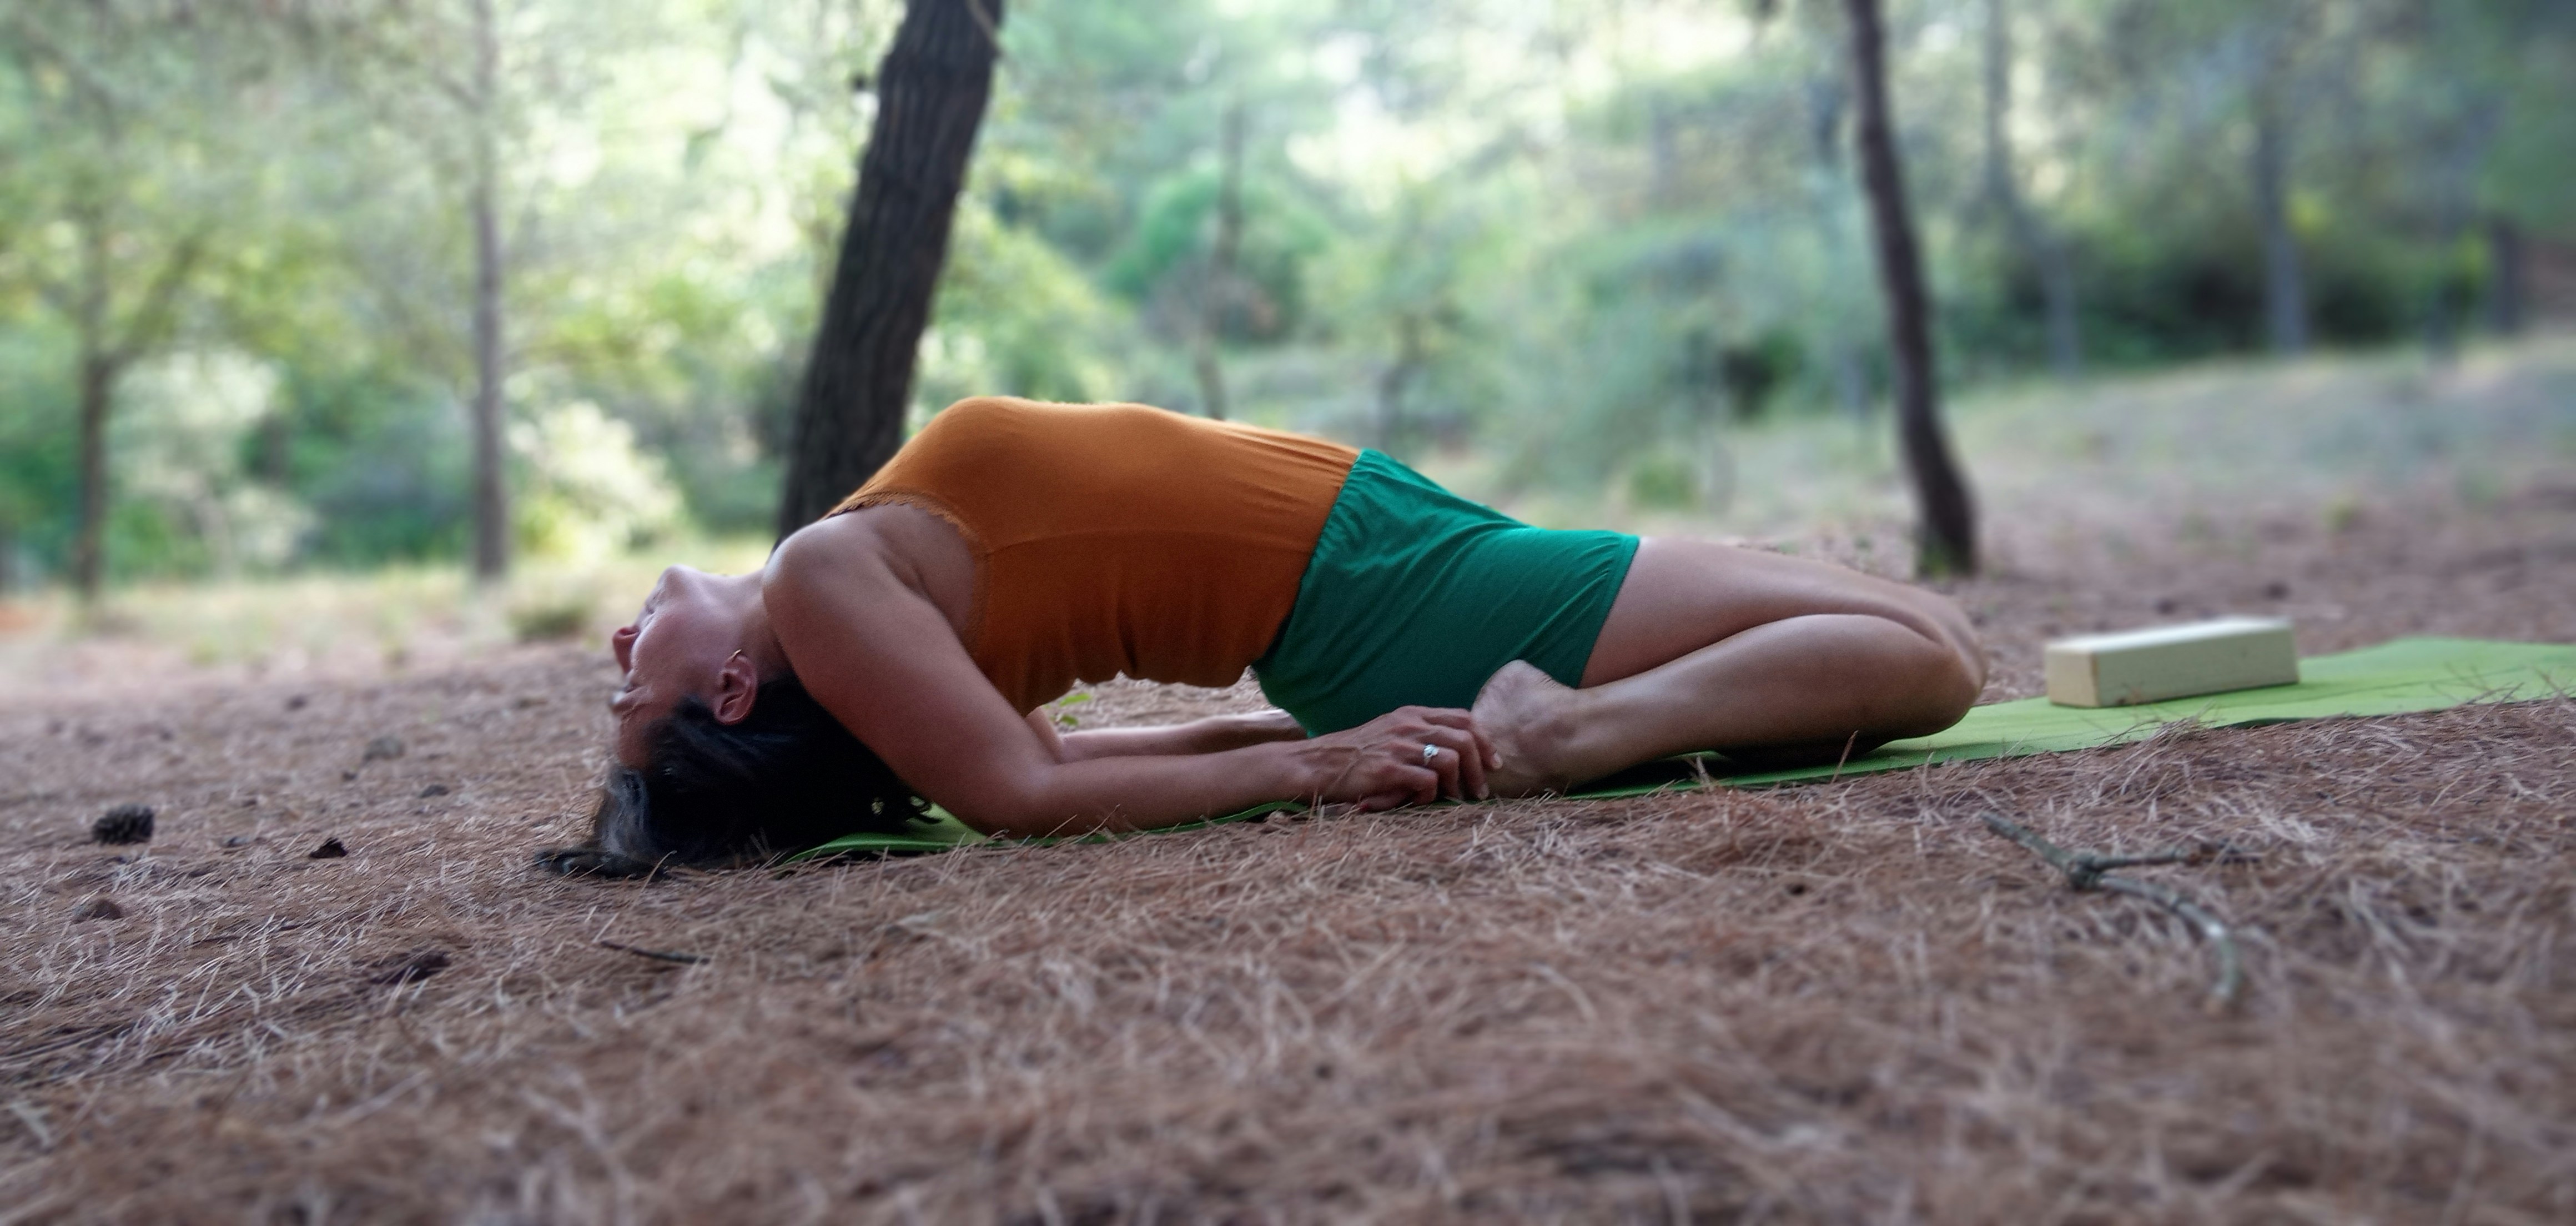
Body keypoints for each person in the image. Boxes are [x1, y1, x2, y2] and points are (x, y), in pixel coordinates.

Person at [569, 396, 1983, 868]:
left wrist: (1296, 734)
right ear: (736, 693)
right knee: (1933, 659)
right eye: (636, 693)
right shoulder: (817, 580)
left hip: (1385, 559)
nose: (618, 652)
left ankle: (1581, 717)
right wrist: (1316, 765)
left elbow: (1068, 759)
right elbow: (1024, 793)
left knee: (1916, 629)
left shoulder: (860, 613)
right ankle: (1579, 731)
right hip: (1382, 593)